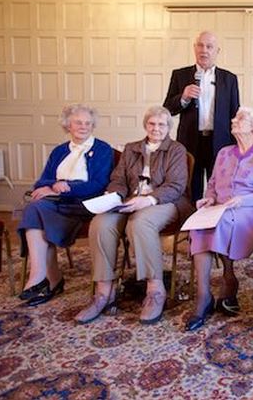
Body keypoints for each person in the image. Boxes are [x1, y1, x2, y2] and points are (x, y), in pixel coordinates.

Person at [74, 106, 191, 325]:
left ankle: (155, 289)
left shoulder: (176, 150)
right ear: (145, 125)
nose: (156, 129)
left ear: (169, 127)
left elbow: (176, 186)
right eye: (152, 124)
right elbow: (118, 178)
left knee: (140, 224)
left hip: (166, 202)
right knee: (100, 223)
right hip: (129, 201)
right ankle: (103, 291)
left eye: (162, 124)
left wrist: (147, 200)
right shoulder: (131, 149)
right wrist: (115, 195)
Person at [185, 107, 253, 331]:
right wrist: (208, 199)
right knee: (199, 225)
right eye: (235, 117)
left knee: (222, 221)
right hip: (221, 207)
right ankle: (203, 295)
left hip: (252, 210)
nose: (233, 120)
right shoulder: (224, 152)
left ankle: (228, 277)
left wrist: (241, 200)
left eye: (240, 119)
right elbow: (212, 184)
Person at [17, 104, 113, 306]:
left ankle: (48, 280)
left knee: (37, 212)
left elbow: (98, 185)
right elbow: (41, 182)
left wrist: (66, 186)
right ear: (68, 125)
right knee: (35, 207)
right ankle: (40, 276)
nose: (84, 126)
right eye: (78, 122)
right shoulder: (60, 151)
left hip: (85, 207)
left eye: (88, 123)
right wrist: (53, 186)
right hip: (57, 204)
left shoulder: (102, 149)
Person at [163, 30, 240, 201]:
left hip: (220, 142)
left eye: (209, 46)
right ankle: (190, 225)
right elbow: (167, 109)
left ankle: (214, 225)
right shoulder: (180, 75)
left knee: (220, 189)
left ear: (217, 51)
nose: (204, 50)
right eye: (200, 45)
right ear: (194, 48)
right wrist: (183, 97)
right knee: (190, 189)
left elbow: (235, 115)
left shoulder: (229, 79)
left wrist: (236, 147)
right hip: (190, 141)